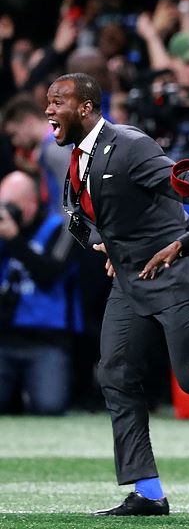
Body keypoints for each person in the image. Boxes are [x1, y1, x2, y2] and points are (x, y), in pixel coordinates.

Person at [44, 72, 189, 516]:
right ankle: (147, 491)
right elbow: (86, 216)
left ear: (85, 107)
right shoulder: (76, 157)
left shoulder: (129, 143)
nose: (49, 110)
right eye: (47, 101)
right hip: (130, 279)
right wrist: (109, 245)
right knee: (116, 373)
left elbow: (175, 183)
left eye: (57, 101)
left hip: (175, 273)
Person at [0, 171, 82, 414]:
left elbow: (49, 275)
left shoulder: (66, 228)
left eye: (11, 206)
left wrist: (14, 239)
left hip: (47, 341)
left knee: (49, 407)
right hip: (4, 339)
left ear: (31, 204)